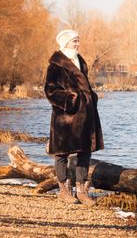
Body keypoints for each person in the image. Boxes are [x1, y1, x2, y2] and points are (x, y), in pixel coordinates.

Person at [44, 29, 104, 205]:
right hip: (65, 117)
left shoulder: (80, 61)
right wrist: (70, 100)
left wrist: (92, 98)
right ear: (65, 43)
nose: (78, 44)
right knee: (62, 153)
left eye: (78, 40)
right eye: (74, 41)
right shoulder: (56, 64)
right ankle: (64, 190)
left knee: (85, 151)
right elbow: (50, 90)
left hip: (85, 115)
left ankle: (82, 191)